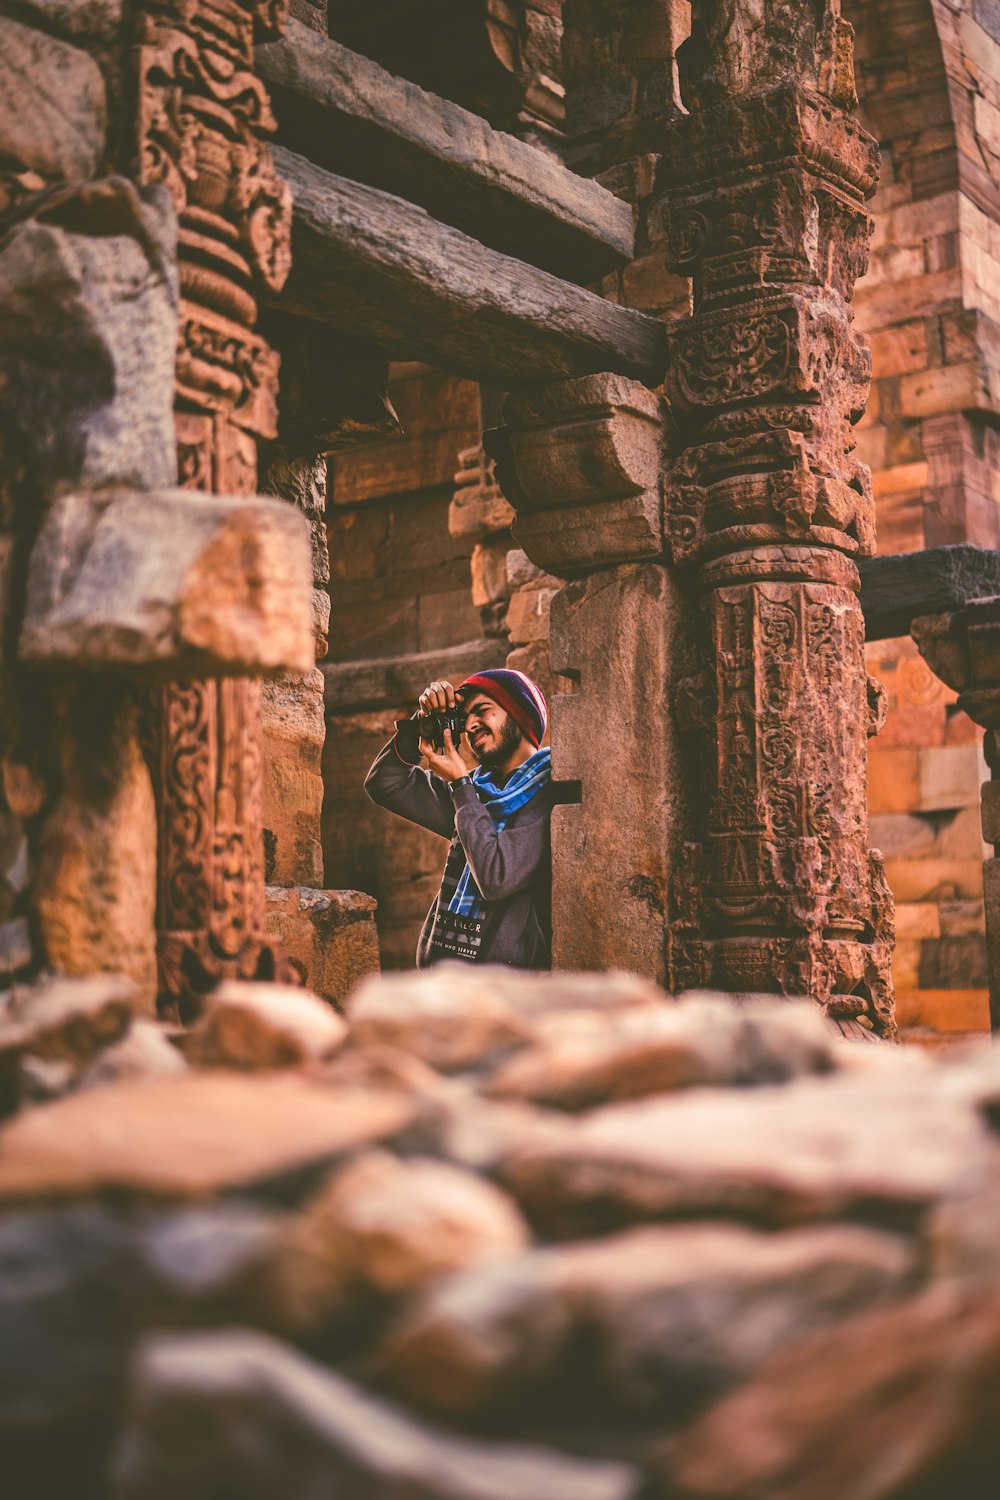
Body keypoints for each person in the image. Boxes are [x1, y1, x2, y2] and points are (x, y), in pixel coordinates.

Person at [364, 667, 553, 969]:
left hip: (509, 991)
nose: (471, 726)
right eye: (465, 719)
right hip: (448, 982)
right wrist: (421, 721)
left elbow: (496, 877)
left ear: (520, 714)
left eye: (482, 711)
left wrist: (461, 786)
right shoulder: (473, 791)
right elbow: (385, 783)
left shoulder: (550, 790)